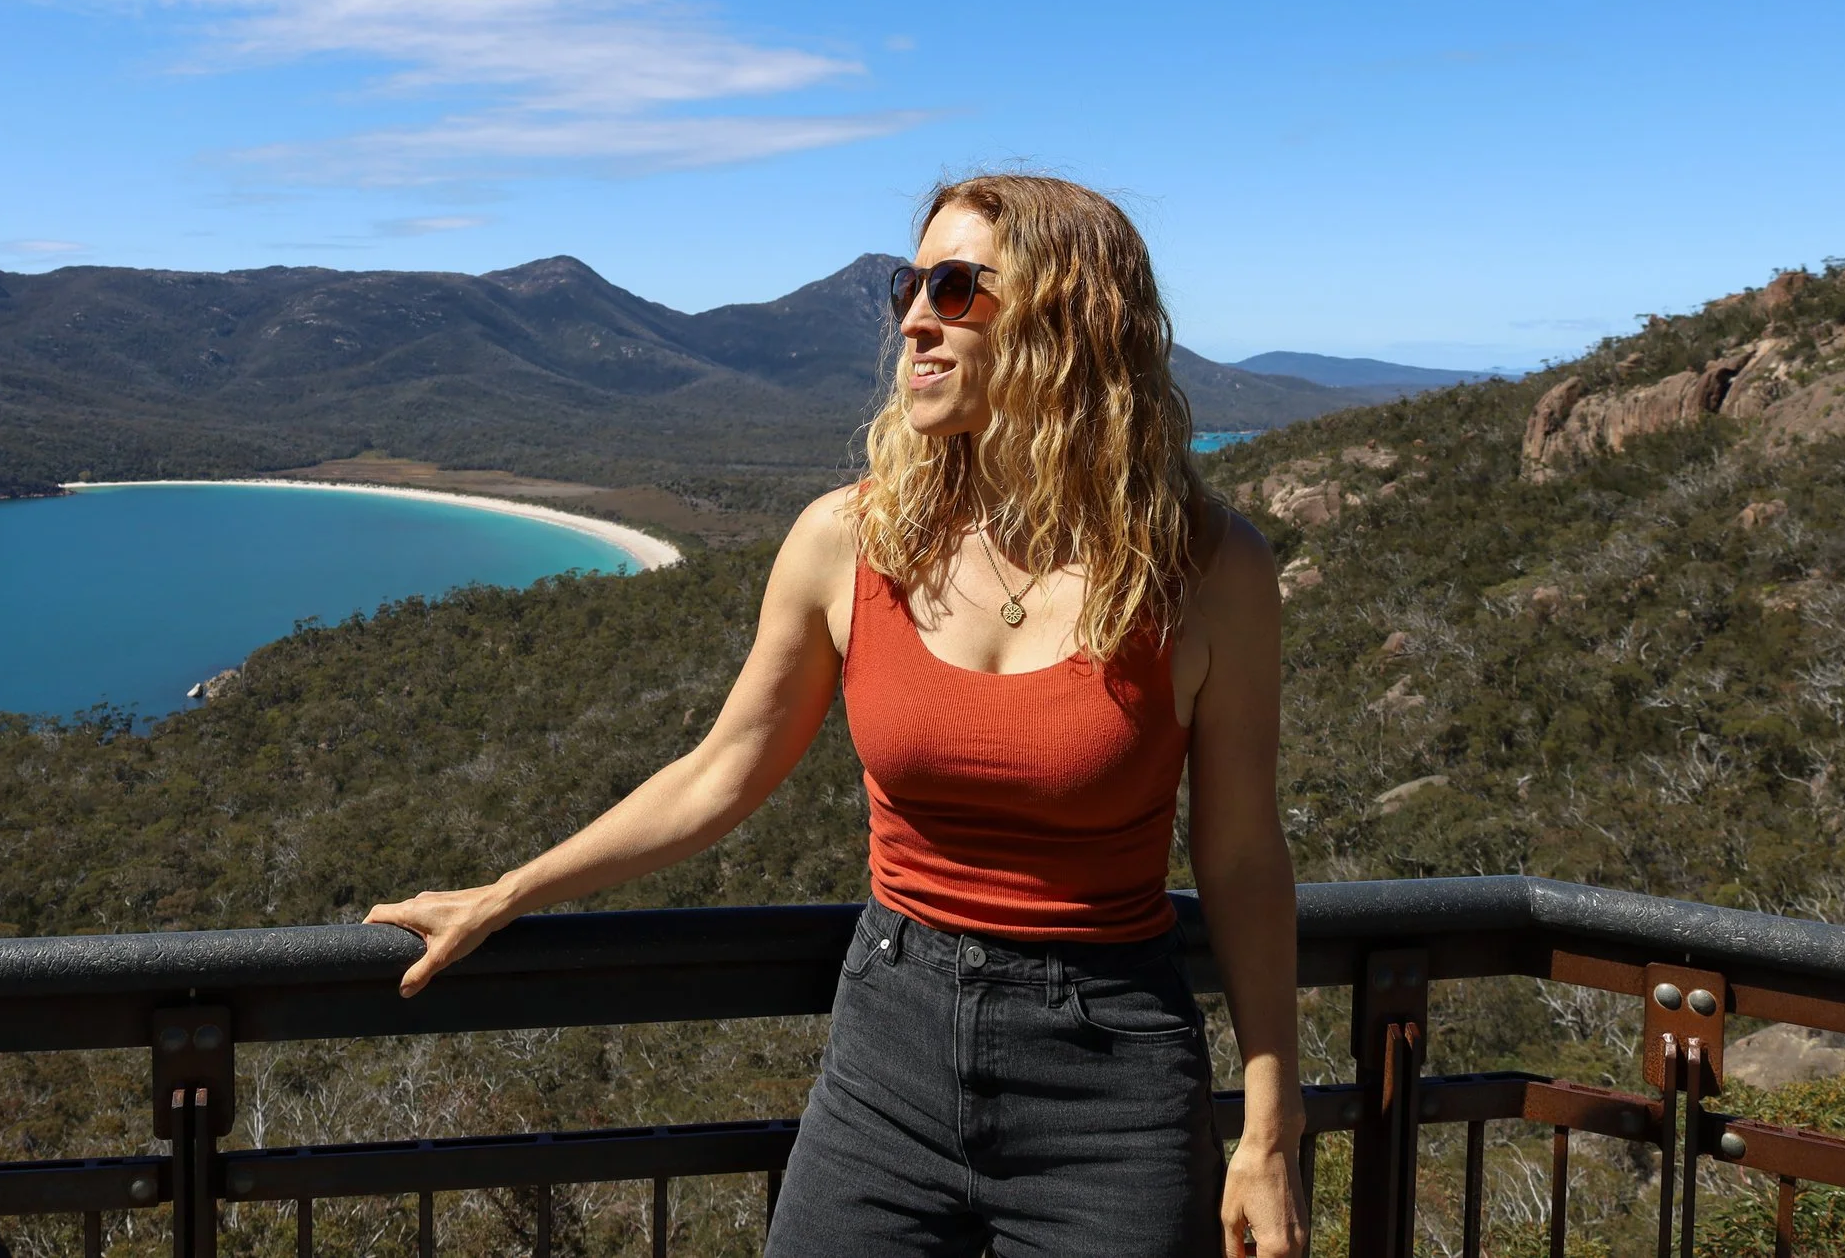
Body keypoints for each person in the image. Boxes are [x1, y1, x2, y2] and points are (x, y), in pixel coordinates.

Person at [367, 173, 1307, 1258]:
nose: (913, 320)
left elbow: (1243, 858)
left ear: (1070, 322)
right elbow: (720, 770)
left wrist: (1269, 1128)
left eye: (955, 289)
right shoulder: (851, 540)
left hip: (1112, 1085)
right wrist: (508, 892)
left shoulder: (1208, 570)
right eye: (911, 287)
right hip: (888, 1057)